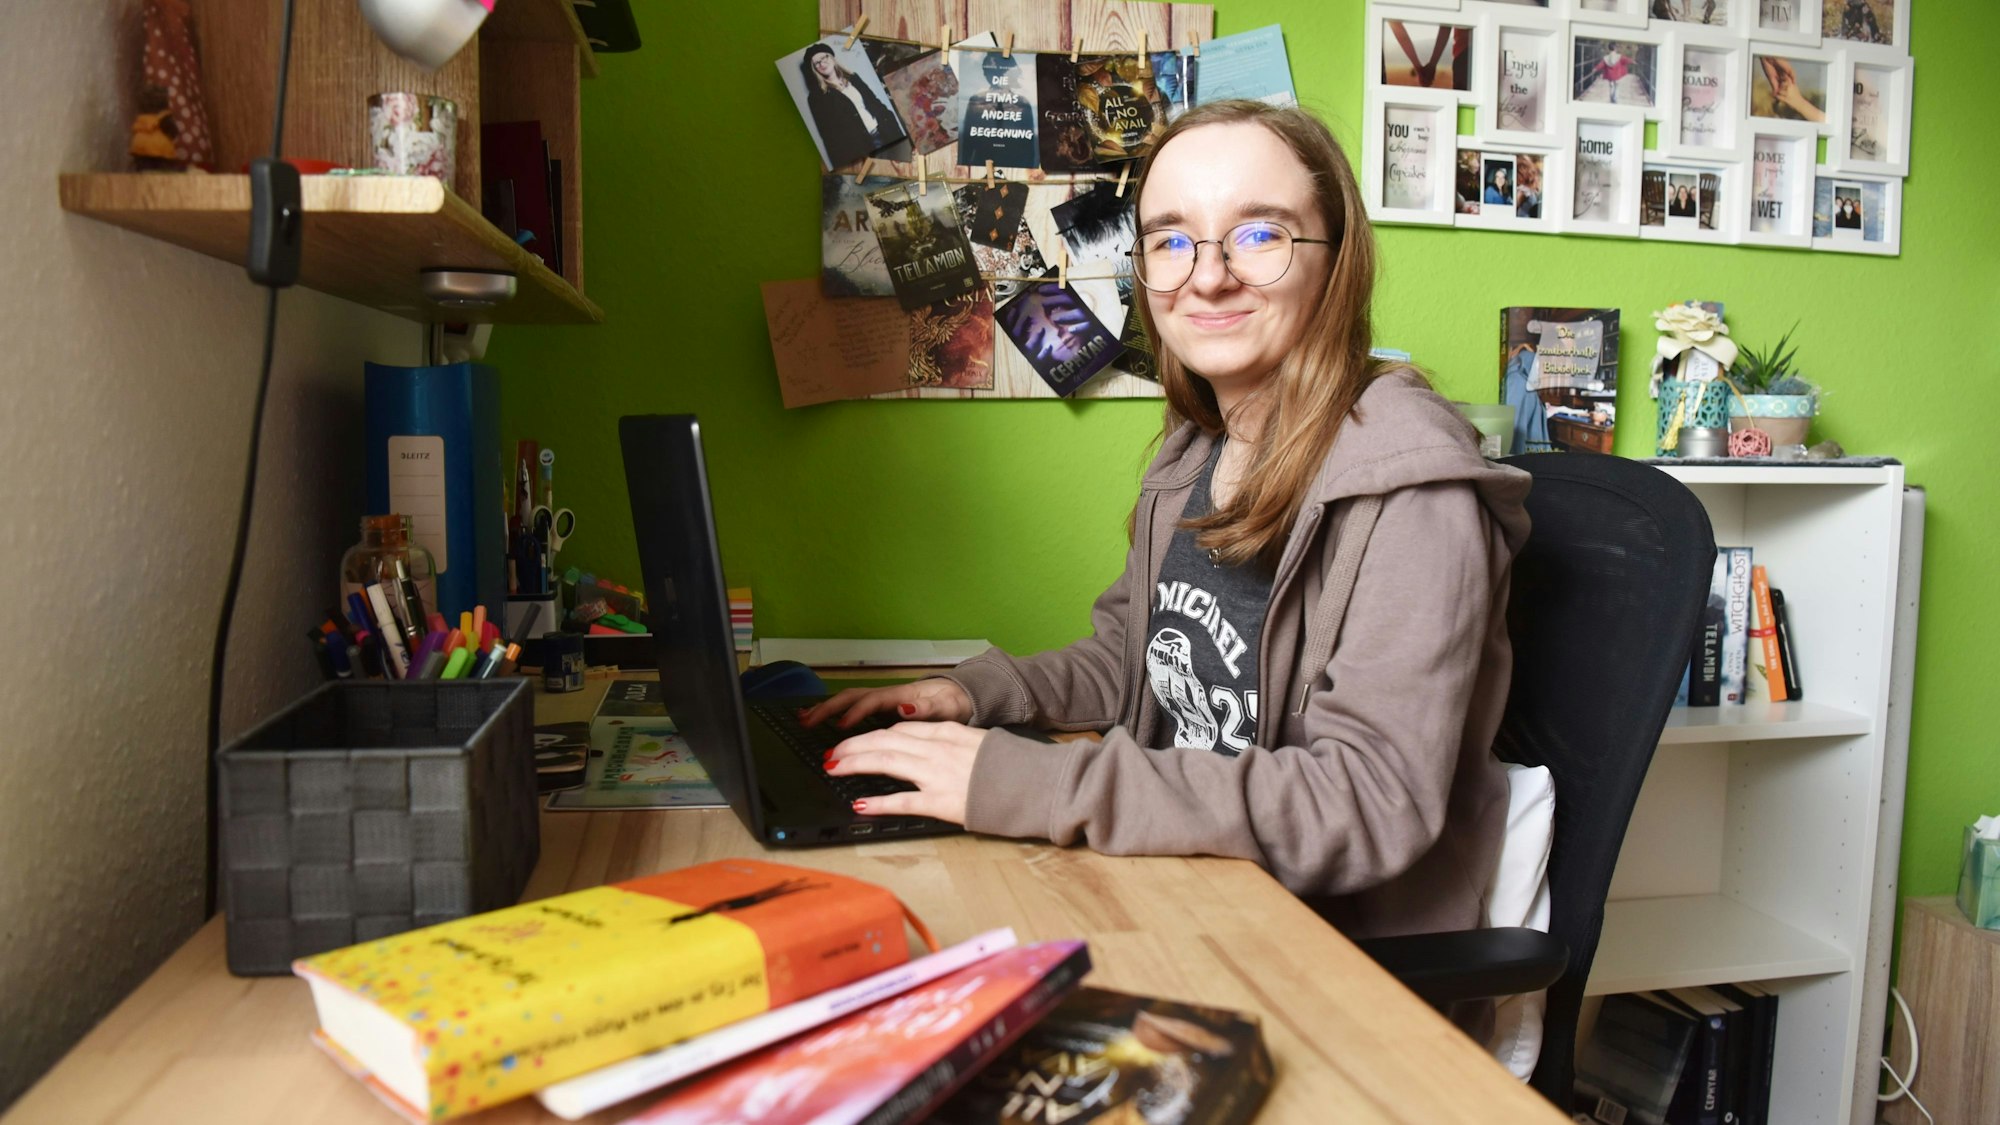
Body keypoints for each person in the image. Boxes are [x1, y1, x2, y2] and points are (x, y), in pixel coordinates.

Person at [802, 99, 1533, 946]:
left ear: (1336, 263)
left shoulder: (1414, 489)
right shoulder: (1197, 449)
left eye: (1260, 234)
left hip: (1329, 951)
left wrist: (1038, 784)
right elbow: (1134, 657)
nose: (1207, 275)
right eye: (1171, 239)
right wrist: (973, 695)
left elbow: (1368, 802)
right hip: (1182, 887)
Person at [798, 42, 901, 167]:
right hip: (861, 148)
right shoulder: (817, 97)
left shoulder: (853, 78)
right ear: (814, 68)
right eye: (816, 63)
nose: (822, 64)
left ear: (831, 57)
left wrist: (894, 126)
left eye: (823, 58)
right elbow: (829, 136)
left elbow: (876, 103)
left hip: (886, 133)